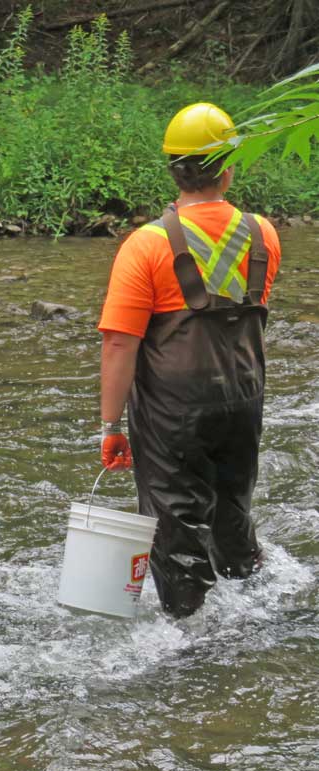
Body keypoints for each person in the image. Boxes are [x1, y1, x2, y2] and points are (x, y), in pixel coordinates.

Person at [98, 102, 281, 618]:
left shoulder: (147, 245)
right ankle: (252, 610)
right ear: (228, 167)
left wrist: (111, 424)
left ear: (174, 170)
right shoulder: (263, 233)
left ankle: (188, 635)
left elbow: (119, 343)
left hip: (172, 414)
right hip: (243, 400)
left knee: (176, 526)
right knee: (233, 513)